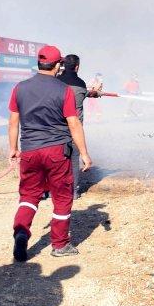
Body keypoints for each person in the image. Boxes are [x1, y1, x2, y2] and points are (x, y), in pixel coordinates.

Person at [9, 45, 92, 261]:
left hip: (29, 150)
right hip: (57, 152)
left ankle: (21, 232)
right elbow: (73, 123)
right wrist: (84, 153)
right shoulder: (63, 90)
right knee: (62, 198)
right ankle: (60, 244)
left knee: (28, 196)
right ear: (58, 65)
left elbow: (13, 122)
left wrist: (13, 149)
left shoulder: (20, 88)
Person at [55, 54, 100, 198]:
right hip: (75, 129)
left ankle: (52, 190)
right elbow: (88, 93)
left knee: (56, 160)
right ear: (77, 67)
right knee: (74, 159)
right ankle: (73, 191)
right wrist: (96, 91)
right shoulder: (80, 84)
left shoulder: (56, 82)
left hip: (57, 128)